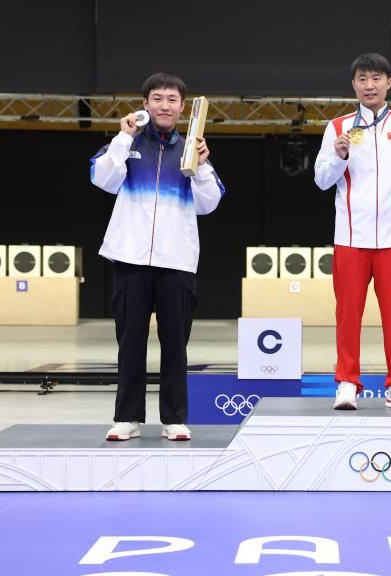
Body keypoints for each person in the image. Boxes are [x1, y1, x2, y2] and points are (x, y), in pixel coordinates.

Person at [90, 72, 224, 441]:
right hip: (130, 258)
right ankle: (126, 418)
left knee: (175, 345)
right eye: (158, 99)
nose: (165, 106)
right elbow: (102, 179)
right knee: (129, 341)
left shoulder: (192, 148)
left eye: (172, 100)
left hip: (176, 261)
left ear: (183, 107)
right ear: (145, 104)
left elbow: (209, 204)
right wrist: (123, 137)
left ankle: (175, 418)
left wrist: (201, 167)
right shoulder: (128, 144)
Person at [314, 52, 391, 411]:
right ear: (353, 85)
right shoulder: (337, 128)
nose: (370, 85)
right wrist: (338, 156)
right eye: (362, 79)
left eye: (376, 78)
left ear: (388, 83)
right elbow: (322, 181)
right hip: (351, 237)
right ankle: (347, 383)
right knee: (347, 314)